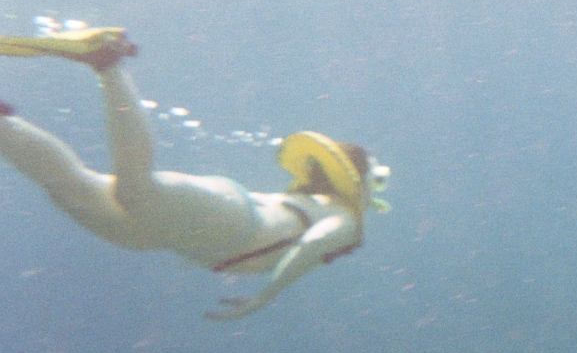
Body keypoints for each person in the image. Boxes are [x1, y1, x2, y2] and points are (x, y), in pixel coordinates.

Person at [0, 27, 389, 319]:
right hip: (231, 224)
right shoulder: (348, 220)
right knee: (134, 190)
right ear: (357, 178)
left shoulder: (316, 201)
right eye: (376, 177)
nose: (378, 186)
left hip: (190, 234)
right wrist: (262, 300)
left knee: (73, 194)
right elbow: (311, 245)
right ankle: (106, 62)